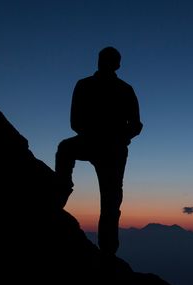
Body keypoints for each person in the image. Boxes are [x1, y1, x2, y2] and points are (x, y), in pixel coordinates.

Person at [56, 47, 142, 254]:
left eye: (109, 60)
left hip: (112, 149)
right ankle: (61, 191)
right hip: (97, 144)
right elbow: (75, 121)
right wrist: (103, 136)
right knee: (66, 149)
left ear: (116, 64)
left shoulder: (123, 89)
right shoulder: (87, 85)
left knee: (111, 201)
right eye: (104, 59)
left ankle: (108, 251)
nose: (106, 63)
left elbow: (136, 124)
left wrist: (119, 138)